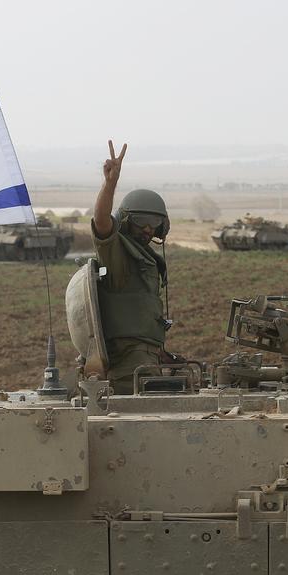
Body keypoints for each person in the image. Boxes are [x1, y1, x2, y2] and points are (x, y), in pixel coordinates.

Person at [92, 140, 173, 394]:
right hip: (129, 363)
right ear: (126, 220)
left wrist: (160, 353)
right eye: (141, 221)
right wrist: (110, 184)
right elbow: (102, 222)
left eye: (155, 223)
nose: (148, 229)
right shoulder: (118, 252)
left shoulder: (146, 255)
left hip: (145, 356)